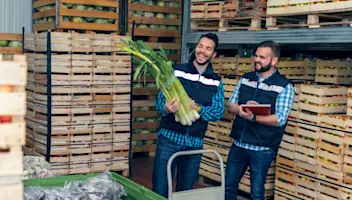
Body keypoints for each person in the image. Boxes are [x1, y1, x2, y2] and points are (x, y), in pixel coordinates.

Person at [152, 33, 225, 198]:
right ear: (196, 48)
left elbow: (218, 112)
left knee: (185, 193)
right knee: (160, 189)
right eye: (200, 46)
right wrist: (167, 108)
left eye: (208, 48)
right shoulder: (176, 71)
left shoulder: (216, 81)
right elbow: (158, 105)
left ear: (213, 55)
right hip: (169, 140)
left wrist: (199, 109)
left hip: (194, 144)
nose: (202, 51)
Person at [225, 41, 295, 200]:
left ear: (274, 60)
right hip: (238, 144)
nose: (257, 59)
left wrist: (255, 117)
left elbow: (280, 119)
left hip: (262, 149)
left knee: (256, 193)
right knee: (228, 187)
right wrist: (241, 110)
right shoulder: (246, 79)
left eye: (262, 57)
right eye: (256, 55)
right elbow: (231, 105)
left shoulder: (284, 86)